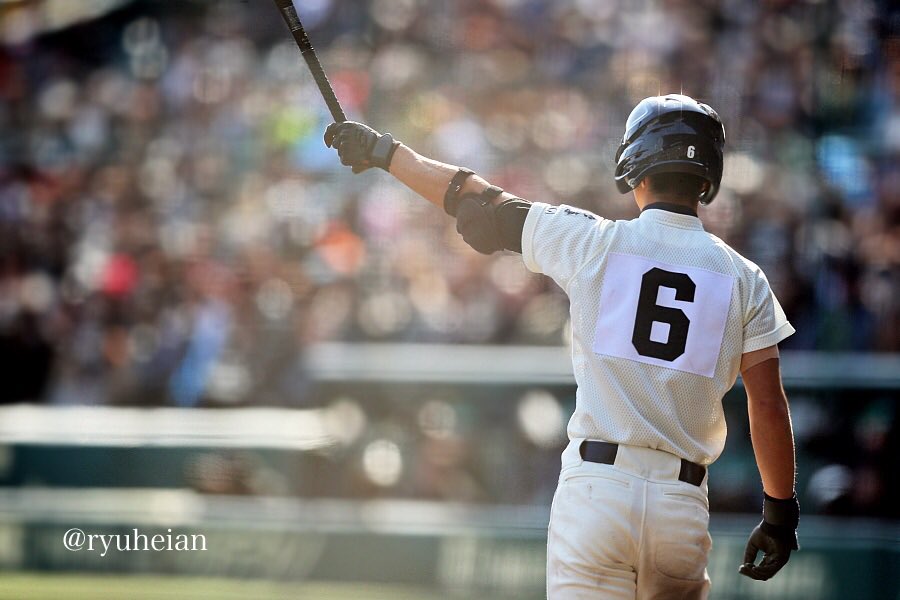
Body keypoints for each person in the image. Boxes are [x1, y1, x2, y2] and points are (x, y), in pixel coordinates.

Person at [324, 93, 799, 599]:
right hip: (681, 503)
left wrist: (383, 151)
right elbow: (767, 405)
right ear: (708, 177)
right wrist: (779, 515)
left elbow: (476, 197)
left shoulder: (594, 242)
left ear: (636, 168)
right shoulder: (745, 278)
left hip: (597, 492)